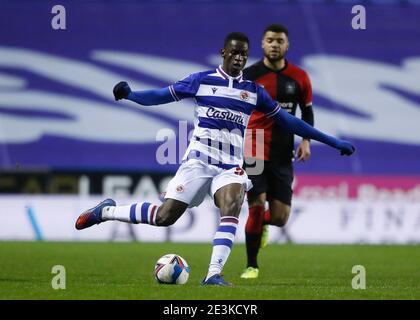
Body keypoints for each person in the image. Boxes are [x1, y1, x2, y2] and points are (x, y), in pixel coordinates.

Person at [75, 32, 355, 287]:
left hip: (230, 166)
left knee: (231, 206)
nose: (239, 58)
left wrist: (332, 141)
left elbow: (290, 122)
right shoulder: (202, 80)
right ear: (223, 53)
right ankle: (107, 212)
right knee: (164, 217)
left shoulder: (254, 92)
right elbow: (161, 96)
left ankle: (213, 274)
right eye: (234, 52)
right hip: (198, 161)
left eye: (244, 54)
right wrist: (132, 95)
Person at [240, 24, 315, 279]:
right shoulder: (248, 75)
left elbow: (307, 112)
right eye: (270, 40)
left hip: (284, 151)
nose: (274, 44)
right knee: (257, 206)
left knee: (281, 217)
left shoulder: (299, 76)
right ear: (262, 44)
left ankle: (260, 227)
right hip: (254, 147)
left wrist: (306, 141)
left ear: (287, 45)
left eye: (279, 41)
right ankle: (251, 265)